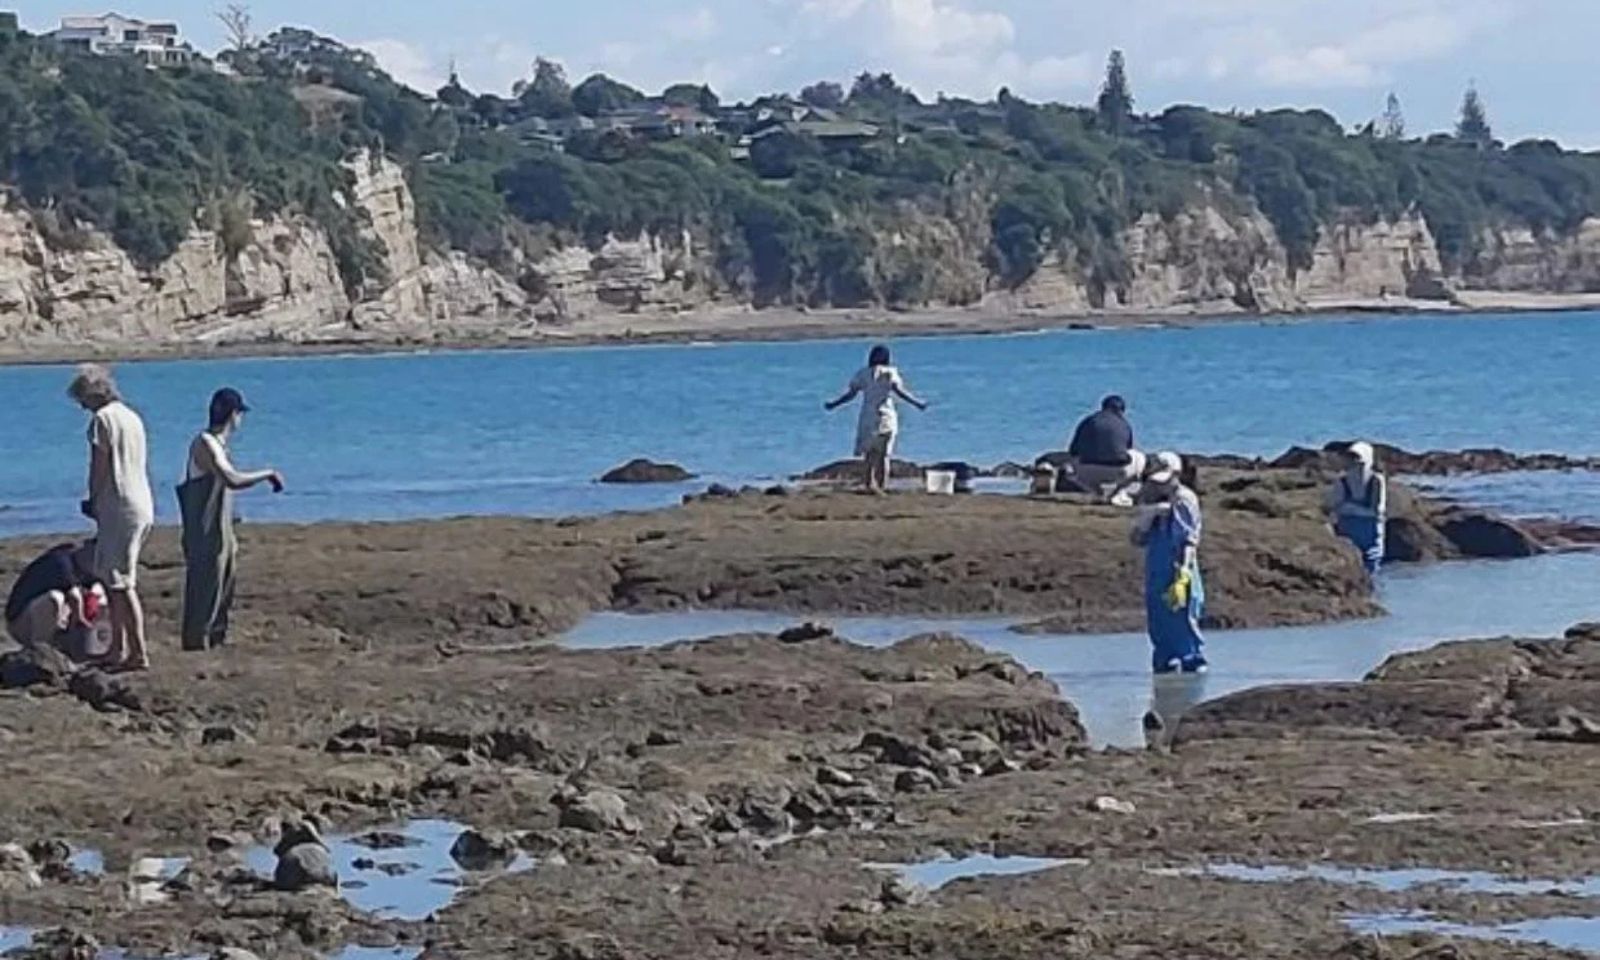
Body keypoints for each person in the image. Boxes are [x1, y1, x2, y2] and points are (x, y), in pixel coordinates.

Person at [178, 388, 285, 651]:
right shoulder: (205, 443)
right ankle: (196, 646)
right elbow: (230, 479)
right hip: (204, 535)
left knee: (223, 591)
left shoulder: (220, 446)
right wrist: (266, 474)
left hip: (221, 533)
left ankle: (216, 642)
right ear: (233, 415)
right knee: (204, 593)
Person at [69, 364, 155, 672]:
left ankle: (138, 651)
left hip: (118, 503)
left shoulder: (102, 420)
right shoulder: (132, 417)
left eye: (82, 399)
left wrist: (92, 499)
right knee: (112, 578)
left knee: (121, 582)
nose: (82, 406)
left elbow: (99, 466)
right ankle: (118, 647)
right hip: (141, 501)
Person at [1131, 452, 1207, 675]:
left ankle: (1192, 662)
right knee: (1159, 619)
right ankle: (1165, 663)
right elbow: (1137, 539)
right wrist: (1147, 518)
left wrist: (1183, 574)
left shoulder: (1184, 499)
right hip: (1156, 568)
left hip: (1178, 567)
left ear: (1176, 475)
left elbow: (1188, 541)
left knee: (1184, 618)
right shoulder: (1150, 499)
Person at [824, 345, 927, 494]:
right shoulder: (890, 373)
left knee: (869, 456)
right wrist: (917, 403)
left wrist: (834, 404)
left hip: (868, 417)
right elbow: (900, 392)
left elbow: (851, 394)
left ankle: (869, 485)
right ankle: (882, 486)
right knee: (884, 456)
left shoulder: (863, 374)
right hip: (887, 417)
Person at [5, 541, 103, 657]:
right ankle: (41, 650)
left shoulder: (88, 568)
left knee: (100, 595)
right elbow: (74, 596)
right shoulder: (62, 561)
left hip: (56, 620)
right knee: (55, 598)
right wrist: (79, 620)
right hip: (22, 621)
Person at [1068, 395, 1146, 504]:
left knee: (1073, 461)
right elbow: (1127, 449)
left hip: (1087, 472)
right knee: (1138, 456)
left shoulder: (1087, 421)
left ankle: (1096, 492)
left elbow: (1073, 450)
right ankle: (1116, 493)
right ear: (1121, 410)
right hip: (1117, 471)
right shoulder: (1124, 424)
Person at [1326, 441, 1387, 575]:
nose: (1355, 464)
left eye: (1358, 459)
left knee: (1371, 568)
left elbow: (1377, 510)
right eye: (1352, 459)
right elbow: (1336, 507)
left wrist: (1350, 508)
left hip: (1369, 533)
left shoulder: (1376, 480)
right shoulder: (1342, 481)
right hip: (1350, 531)